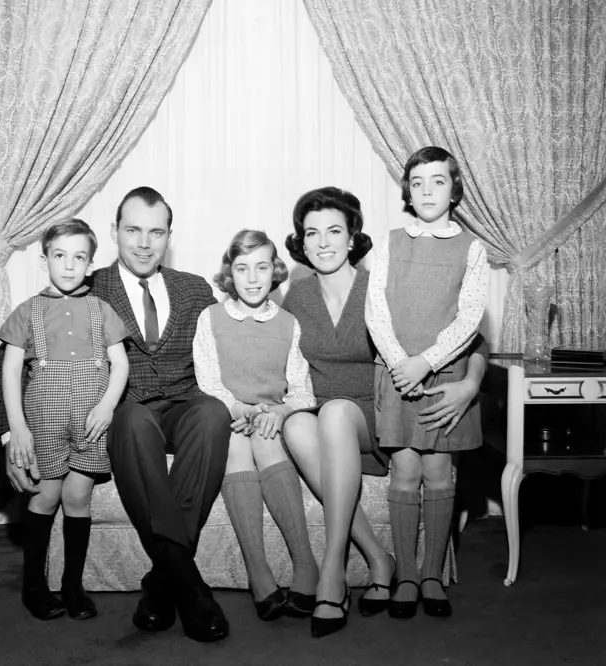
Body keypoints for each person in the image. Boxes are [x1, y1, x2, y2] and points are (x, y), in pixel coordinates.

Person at [5, 187, 232, 643]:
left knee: (214, 414)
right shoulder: (88, 284)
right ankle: (187, 584)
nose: (144, 243)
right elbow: (11, 358)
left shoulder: (194, 287)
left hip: (185, 403)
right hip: (127, 409)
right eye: (133, 230)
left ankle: (165, 581)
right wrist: (10, 434)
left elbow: (224, 351)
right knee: (130, 421)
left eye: (156, 232)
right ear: (114, 233)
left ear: (169, 236)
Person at [281, 186, 487, 638]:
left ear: (353, 237)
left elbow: (470, 337)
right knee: (296, 426)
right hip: (327, 420)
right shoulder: (296, 296)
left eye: (334, 230)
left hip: (378, 415)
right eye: (311, 233)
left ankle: (332, 571)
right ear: (301, 241)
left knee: (334, 413)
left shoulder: (381, 283)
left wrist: (471, 382)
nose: (322, 242)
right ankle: (378, 557)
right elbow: (274, 360)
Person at [365, 146, 489, 620]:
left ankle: (433, 573)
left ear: (454, 188)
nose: (428, 191)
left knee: (438, 473)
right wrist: (402, 363)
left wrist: (427, 362)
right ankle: (407, 577)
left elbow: (470, 317)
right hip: (397, 375)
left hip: (445, 375)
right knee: (405, 471)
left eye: (438, 181)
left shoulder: (471, 248)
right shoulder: (391, 241)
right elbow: (376, 311)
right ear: (407, 191)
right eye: (418, 182)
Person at [0, 219, 129, 622]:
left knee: (77, 499)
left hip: (91, 420)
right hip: (44, 416)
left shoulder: (101, 310)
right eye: (59, 256)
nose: (69, 266)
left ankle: (73, 585)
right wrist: (17, 428)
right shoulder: (27, 311)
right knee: (45, 496)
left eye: (79, 257)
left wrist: (106, 407)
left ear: (90, 264)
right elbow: (8, 371)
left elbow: (120, 365)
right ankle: (33, 586)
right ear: (45, 260)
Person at [192, 230, 319, 623]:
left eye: (261, 267)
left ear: (274, 271)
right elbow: (207, 382)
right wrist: (236, 408)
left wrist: (277, 413)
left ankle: (305, 564)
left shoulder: (288, 324)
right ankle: (257, 570)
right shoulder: (210, 318)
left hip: (269, 418)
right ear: (230, 273)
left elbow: (303, 391)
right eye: (242, 268)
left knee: (265, 442)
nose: (251, 278)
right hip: (229, 417)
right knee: (236, 447)